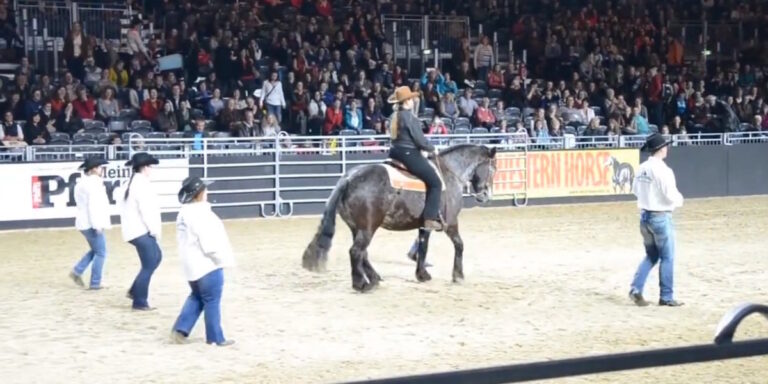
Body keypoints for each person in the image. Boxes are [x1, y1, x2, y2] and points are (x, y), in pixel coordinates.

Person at [170, 176, 235, 347]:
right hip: (207, 264)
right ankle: (215, 337)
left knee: (197, 296)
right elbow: (210, 243)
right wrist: (222, 259)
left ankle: (181, 328)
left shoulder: (184, 212)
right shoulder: (201, 214)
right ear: (199, 194)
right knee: (212, 300)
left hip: (191, 265)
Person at [629, 133, 684, 307]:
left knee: (651, 255)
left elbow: (635, 190)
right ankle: (666, 296)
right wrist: (679, 200)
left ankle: (636, 288)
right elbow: (670, 194)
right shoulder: (663, 170)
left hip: (645, 216)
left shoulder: (642, 167)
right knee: (667, 257)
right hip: (660, 216)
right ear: (660, 149)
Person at [387, 86, 443, 231]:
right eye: (411, 99)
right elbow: (420, 140)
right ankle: (429, 219)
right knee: (436, 183)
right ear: (406, 101)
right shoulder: (409, 117)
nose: (413, 100)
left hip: (395, 152)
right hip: (408, 154)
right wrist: (432, 148)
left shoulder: (394, 116)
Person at [120, 152, 163, 311]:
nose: (151, 169)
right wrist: (154, 231)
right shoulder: (142, 185)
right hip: (141, 230)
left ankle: (135, 290)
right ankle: (139, 300)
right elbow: (148, 211)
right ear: (145, 167)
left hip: (133, 230)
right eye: (150, 166)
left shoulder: (129, 183)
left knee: (155, 258)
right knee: (150, 263)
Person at [69, 157, 111, 290]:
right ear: (94, 169)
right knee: (101, 252)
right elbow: (94, 206)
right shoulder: (94, 184)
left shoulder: (82, 183)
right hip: (91, 222)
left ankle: (77, 271)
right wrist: (97, 224)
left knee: (97, 250)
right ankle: (95, 282)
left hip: (84, 221)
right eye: (100, 167)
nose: (101, 169)